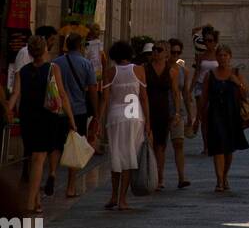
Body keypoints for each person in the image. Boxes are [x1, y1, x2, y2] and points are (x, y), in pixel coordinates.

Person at [7, 35, 76, 216]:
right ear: (45, 49)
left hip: (28, 117)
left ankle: (37, 200)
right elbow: (62, 94)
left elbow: (15, 94)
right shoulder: (53, 68)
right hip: (46, 116)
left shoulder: (22, 71)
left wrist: (8, 111)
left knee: (33, 157)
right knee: (39, 158)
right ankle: (31, 203)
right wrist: (71, 119)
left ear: (29, 52)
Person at [99, 40, 150, 211]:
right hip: (134, 116)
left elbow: (105, 99)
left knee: (116, 156)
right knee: (129, 156)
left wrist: (97, 121)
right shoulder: (139, 70)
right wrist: (148, 122)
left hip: (115, 117)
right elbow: (144, 97)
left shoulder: (110, 72)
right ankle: (122, 199)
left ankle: (114, 195)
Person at [54, 33, 97, 199]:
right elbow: (92, 89)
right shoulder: (86, 64)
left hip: (58, 111)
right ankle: (71, 187)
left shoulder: (56, 63)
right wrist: (96, 113)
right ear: (80, 46)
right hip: (78, 111)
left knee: (56, 146)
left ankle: (52, 174)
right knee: (74, 148)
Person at [200, 44, 248, 193]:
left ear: (230, 57)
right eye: (220, 55)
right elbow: (204, 97)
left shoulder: (236, 73)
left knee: (228, 149)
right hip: (215, 115)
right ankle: (219, 180)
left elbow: (245, 94)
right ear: (216, 57)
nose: (222, 58)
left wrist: (237, 83)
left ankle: (225, 175)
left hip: (231, 114)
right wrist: (198, 118)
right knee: (218, 147)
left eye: (225, 55)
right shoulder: (210, 75)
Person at [144, 42, 180, 191]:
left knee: (160, 146)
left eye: (159, 50)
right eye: (154, 49)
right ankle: (149, 175)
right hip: (147, 111)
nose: (155, 52)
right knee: (148, 144)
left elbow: (175, 93)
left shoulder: (171, 71)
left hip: (163, 112)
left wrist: (176, 112)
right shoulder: (145, 69)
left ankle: (159, 177)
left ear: (166, 53)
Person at [168, 39, 194, 188]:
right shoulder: (162, 68)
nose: (176, 55)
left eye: (178, 52)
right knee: (160, 146)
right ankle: (160, 179)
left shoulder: (183, 69)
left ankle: (181, 177)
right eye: (173, 52)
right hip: (164, 109)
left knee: (179, 143)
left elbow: (185, 92)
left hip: (178, 111)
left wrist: (190, 115)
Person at [191, 26, 219, 154]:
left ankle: (214, 143)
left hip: (215, 87)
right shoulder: (200, 56)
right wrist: (190, 89)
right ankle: (206, 146)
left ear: (215, 42)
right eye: (206, 40)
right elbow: (197, 72)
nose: (208, 43)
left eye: (210, 40)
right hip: (200, 86)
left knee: (214, 116)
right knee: (203, 117)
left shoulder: (219, 55)